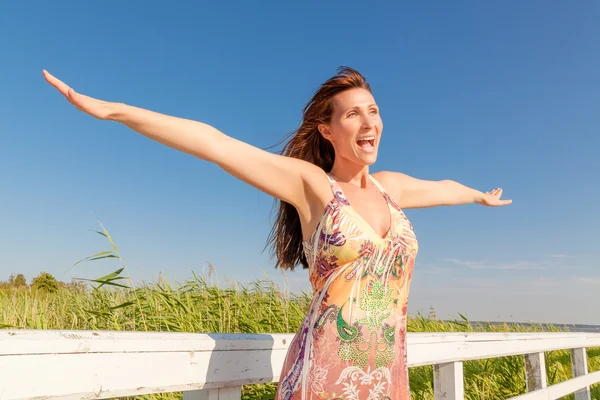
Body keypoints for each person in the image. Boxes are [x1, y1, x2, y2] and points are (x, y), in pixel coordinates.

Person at [43, 66, 511, 400]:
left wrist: (477, 196)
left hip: (387, 375)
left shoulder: (393, 189)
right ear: (327, 130)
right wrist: (116, 111)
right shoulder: (313, 187)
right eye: (353, 115)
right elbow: (217, 145)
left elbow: (444, 188)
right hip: (324, 375)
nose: (369, 122)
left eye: (373, 110)